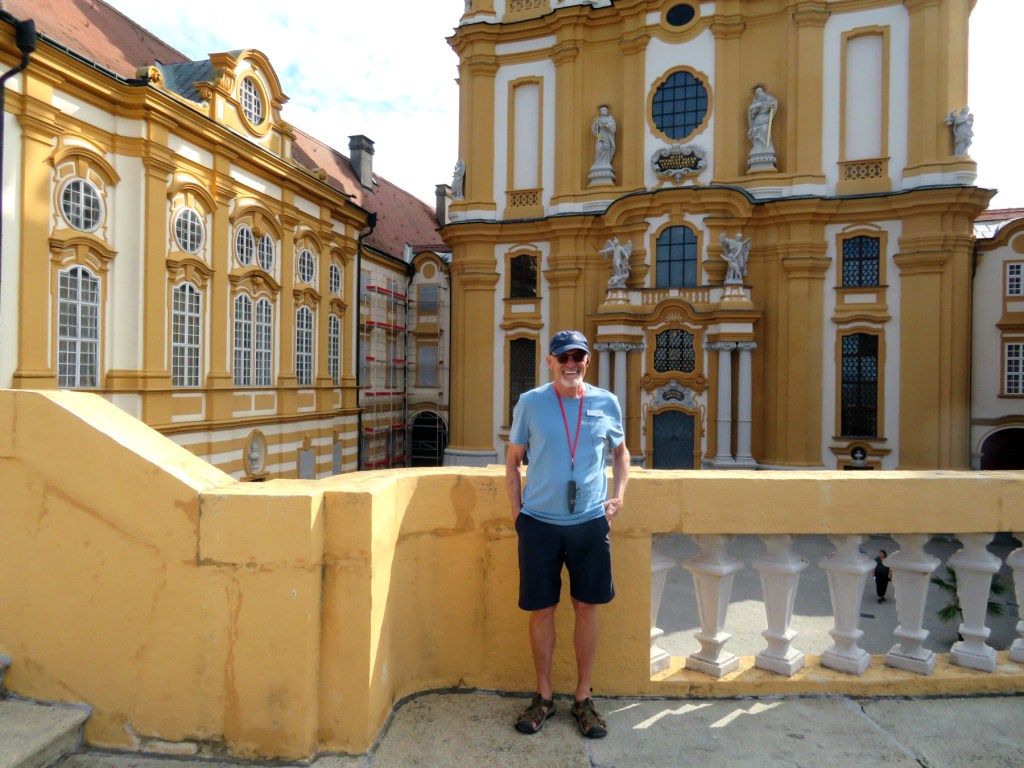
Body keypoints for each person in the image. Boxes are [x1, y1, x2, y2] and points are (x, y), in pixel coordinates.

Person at [505, 329, 629, 739]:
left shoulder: (606, 402)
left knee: (586, 608)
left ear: (587, 361)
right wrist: (517, 514)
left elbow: (621, 453)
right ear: (550, 361)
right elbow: (513, 462)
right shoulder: (531, 402)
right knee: (541, 610)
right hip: (538, 524)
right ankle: (543, 696)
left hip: (590, 523)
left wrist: (619, 497)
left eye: (578, 357)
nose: (571, 364)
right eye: (563, 357)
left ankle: (582, 698)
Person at [747, 85, 778, 154]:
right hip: (757, 120)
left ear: (763, 91)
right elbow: (751, 113)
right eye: (757, 93)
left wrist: (772, 106)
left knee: (764, 130)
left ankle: (767, 147)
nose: (759, 93)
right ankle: (758, 147)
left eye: (760, 91)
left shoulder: (769, 98)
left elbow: (774, 103)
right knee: (755, 133)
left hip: (765, 118)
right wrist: (754, 111)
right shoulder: (756, 102)